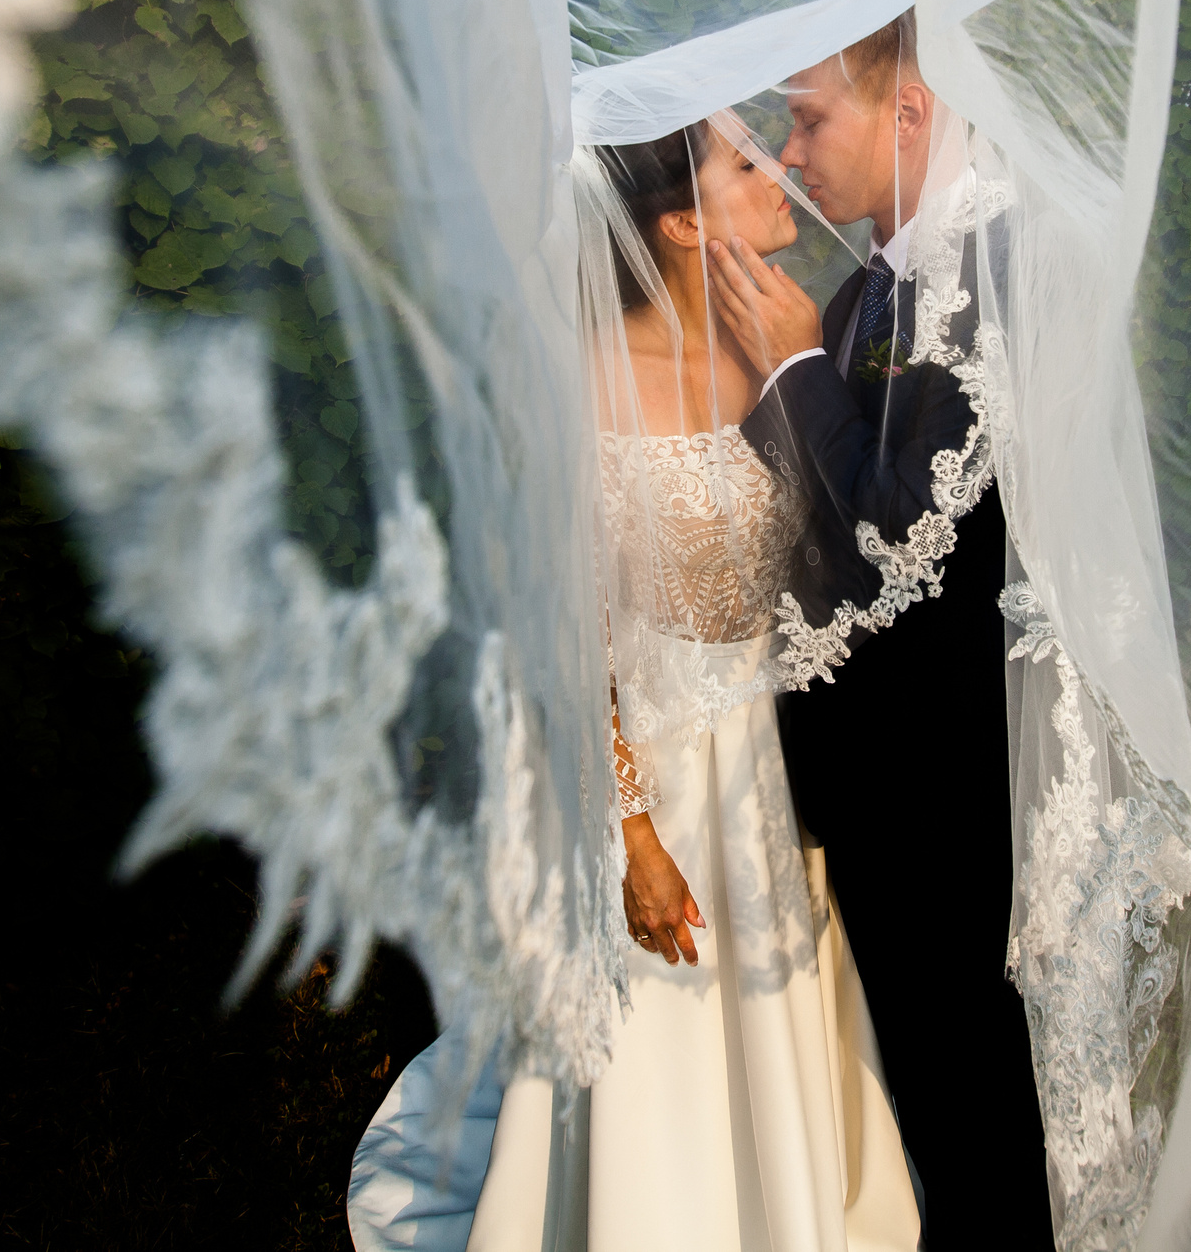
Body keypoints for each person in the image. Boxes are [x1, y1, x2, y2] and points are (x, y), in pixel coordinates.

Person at [348, 119, 919, 1252]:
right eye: (748, 167)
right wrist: (630, 834)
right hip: (650, 766)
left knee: (776, 1004)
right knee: (659, 1026)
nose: (783, 181)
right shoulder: (585, 379)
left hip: (767, 752)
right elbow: (557, 625)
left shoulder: (781, 349)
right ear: (680, 223)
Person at [709, 11, 1054, 1249]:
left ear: (906, 110)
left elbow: (904, 545)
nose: (791, 154)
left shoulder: (993, 270)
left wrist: (796, 370)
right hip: (879, 788)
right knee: (927, 1103)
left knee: (980, 1106)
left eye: (807, 118)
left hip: (953, 797)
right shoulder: (870, 285)